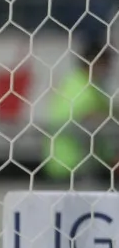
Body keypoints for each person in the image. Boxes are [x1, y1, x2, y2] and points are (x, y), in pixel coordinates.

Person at [43, 39, 116, 188]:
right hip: (70, 165)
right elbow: (88, 116)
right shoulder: (77, 85)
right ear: (94, 63)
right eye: (106, 64)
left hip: (89, 164)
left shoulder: (95, 86)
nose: (109, 69)